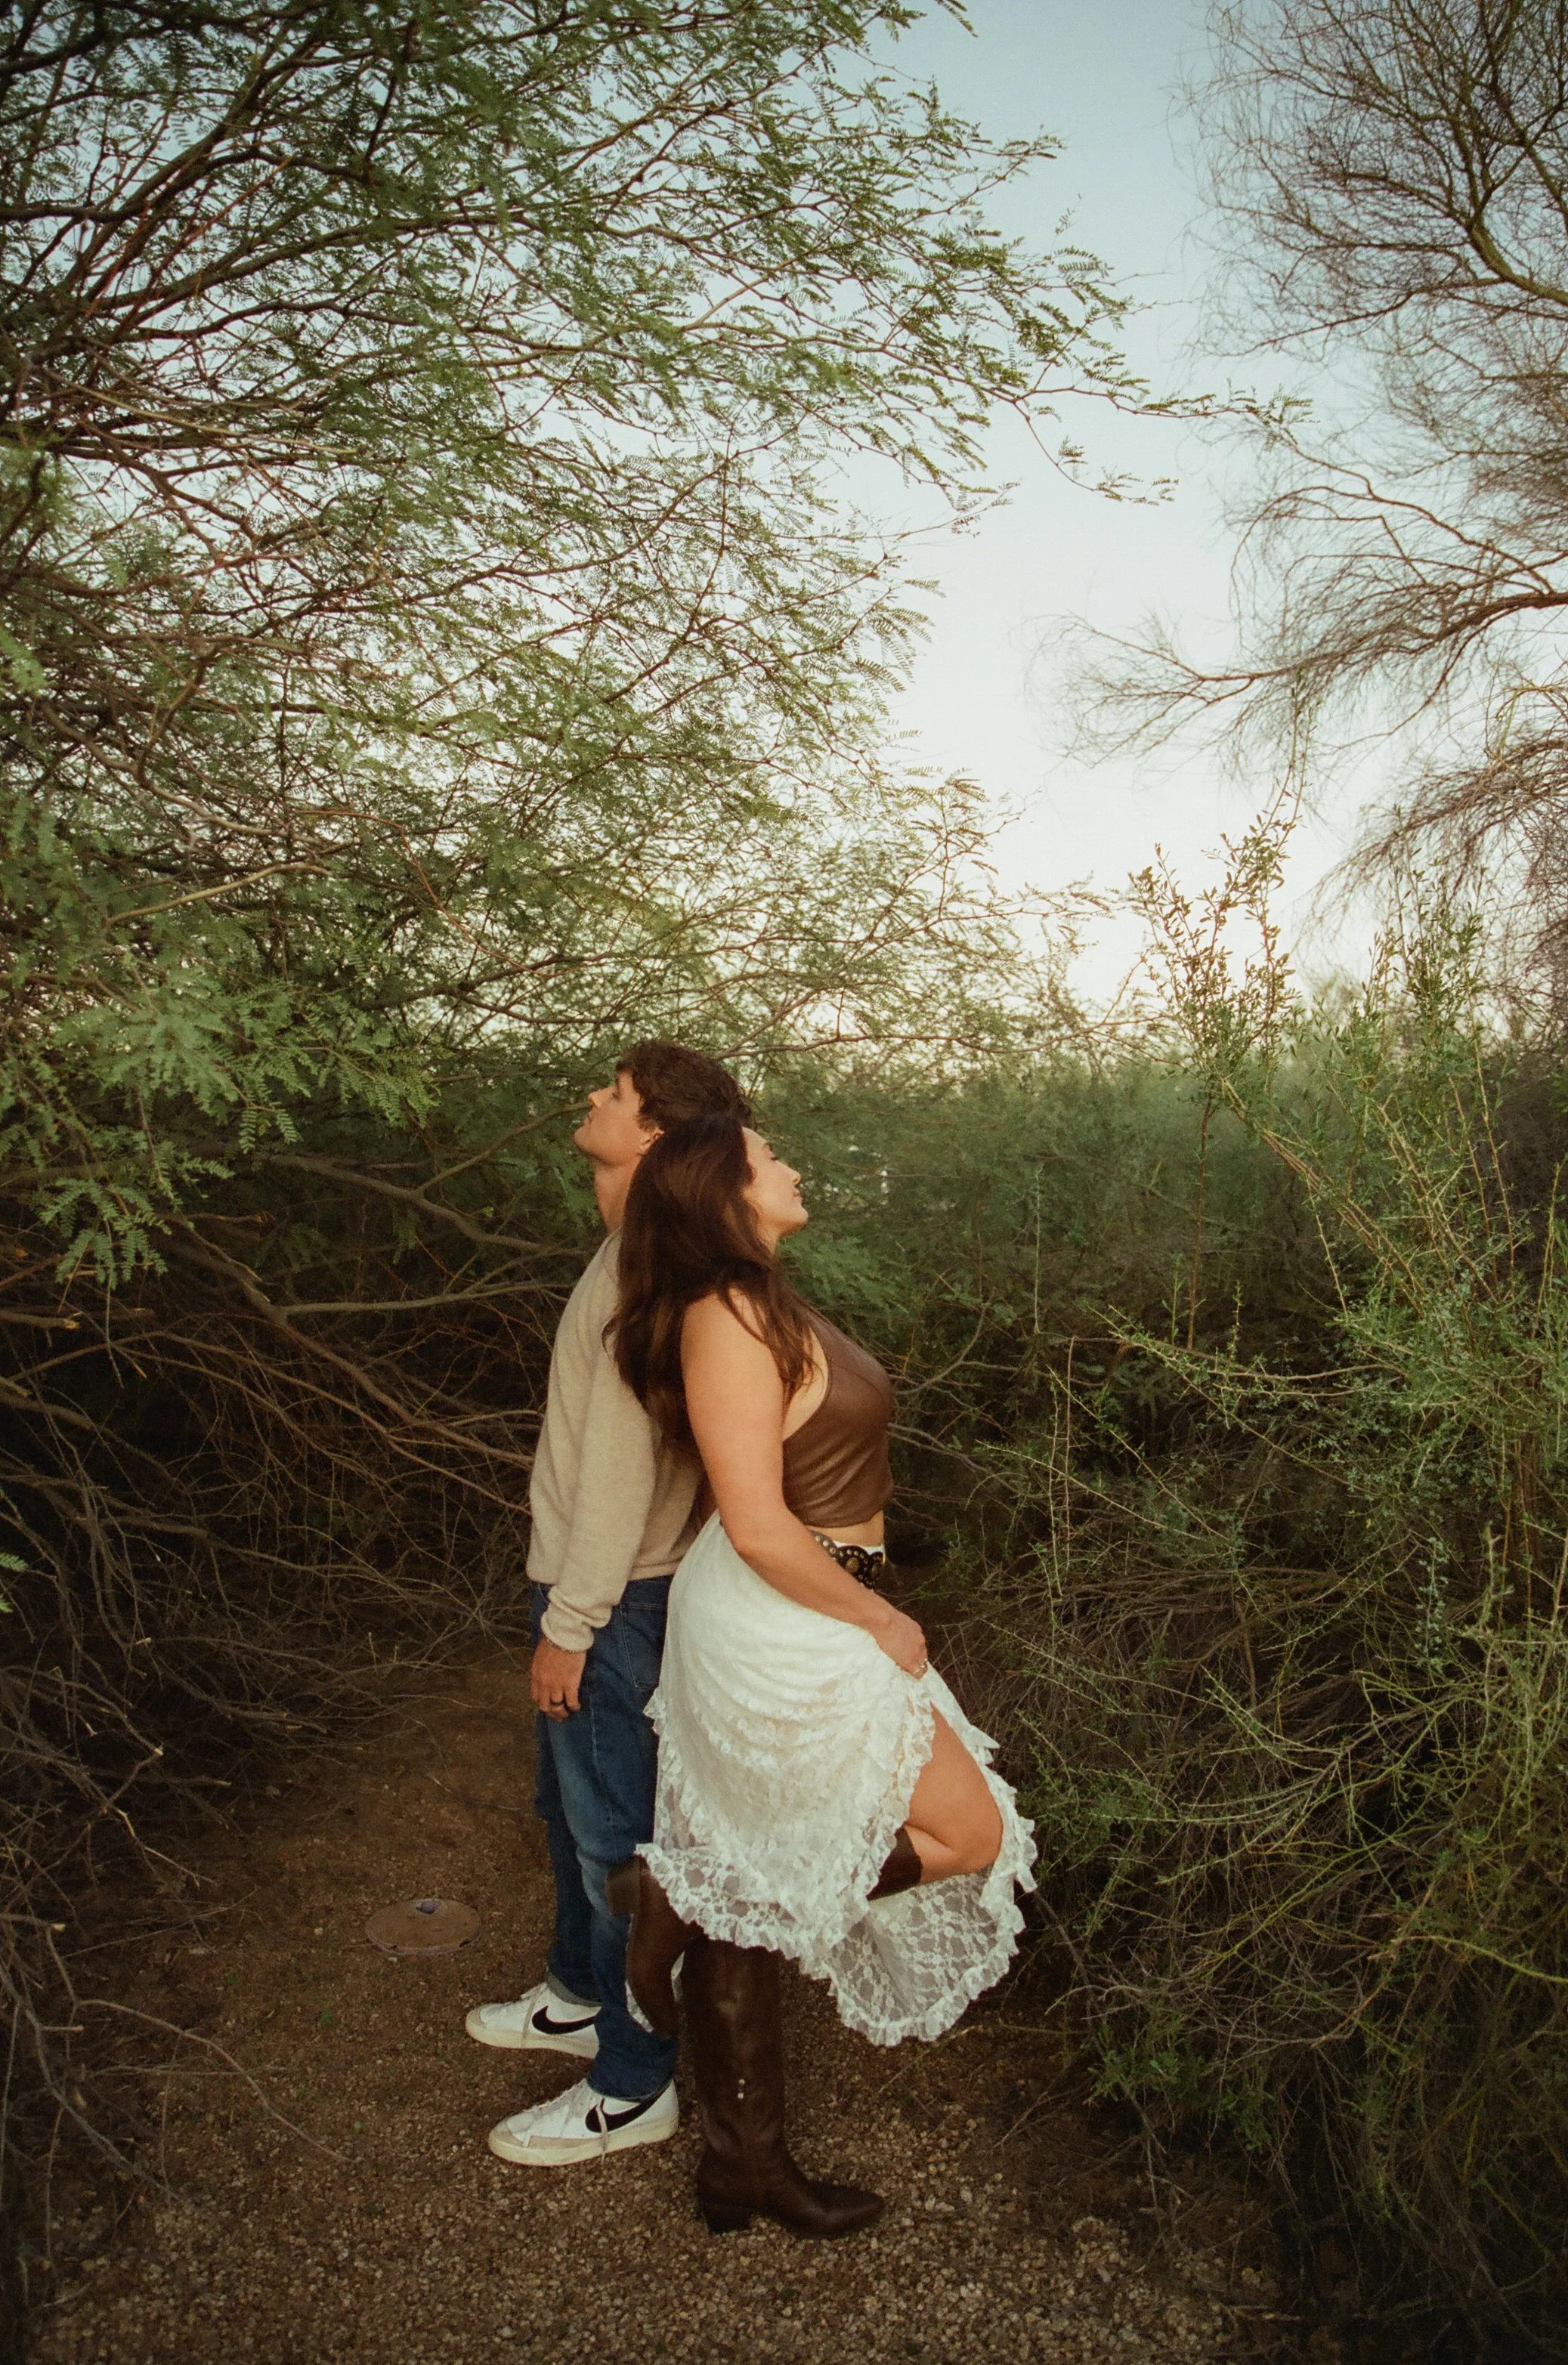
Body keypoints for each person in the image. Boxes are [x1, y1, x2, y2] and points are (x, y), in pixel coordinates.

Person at [607, 1114, 1035, 2236]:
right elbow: (752, 1522)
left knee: (762, 1863)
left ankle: (739, 2156)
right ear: (725, 1189)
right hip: (788, 1603)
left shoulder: (764, 1300)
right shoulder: (725, 1315)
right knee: (967, 1831)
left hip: (798, 1596)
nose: (792, 1162)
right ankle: (691, 1911)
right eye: (770, 1152)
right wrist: (876, 1613)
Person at [466, 1042, 750, 2168]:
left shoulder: (649, 1269)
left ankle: (634, 2086)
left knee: (614, 1843)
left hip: (614, 1598)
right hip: (595, 1587)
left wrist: (570, 1622)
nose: (590, 1097)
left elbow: (622, 1469)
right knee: (564, 1808)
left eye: (614, 1093)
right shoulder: (625, 1247)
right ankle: (578, 1990)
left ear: (653, 1134)